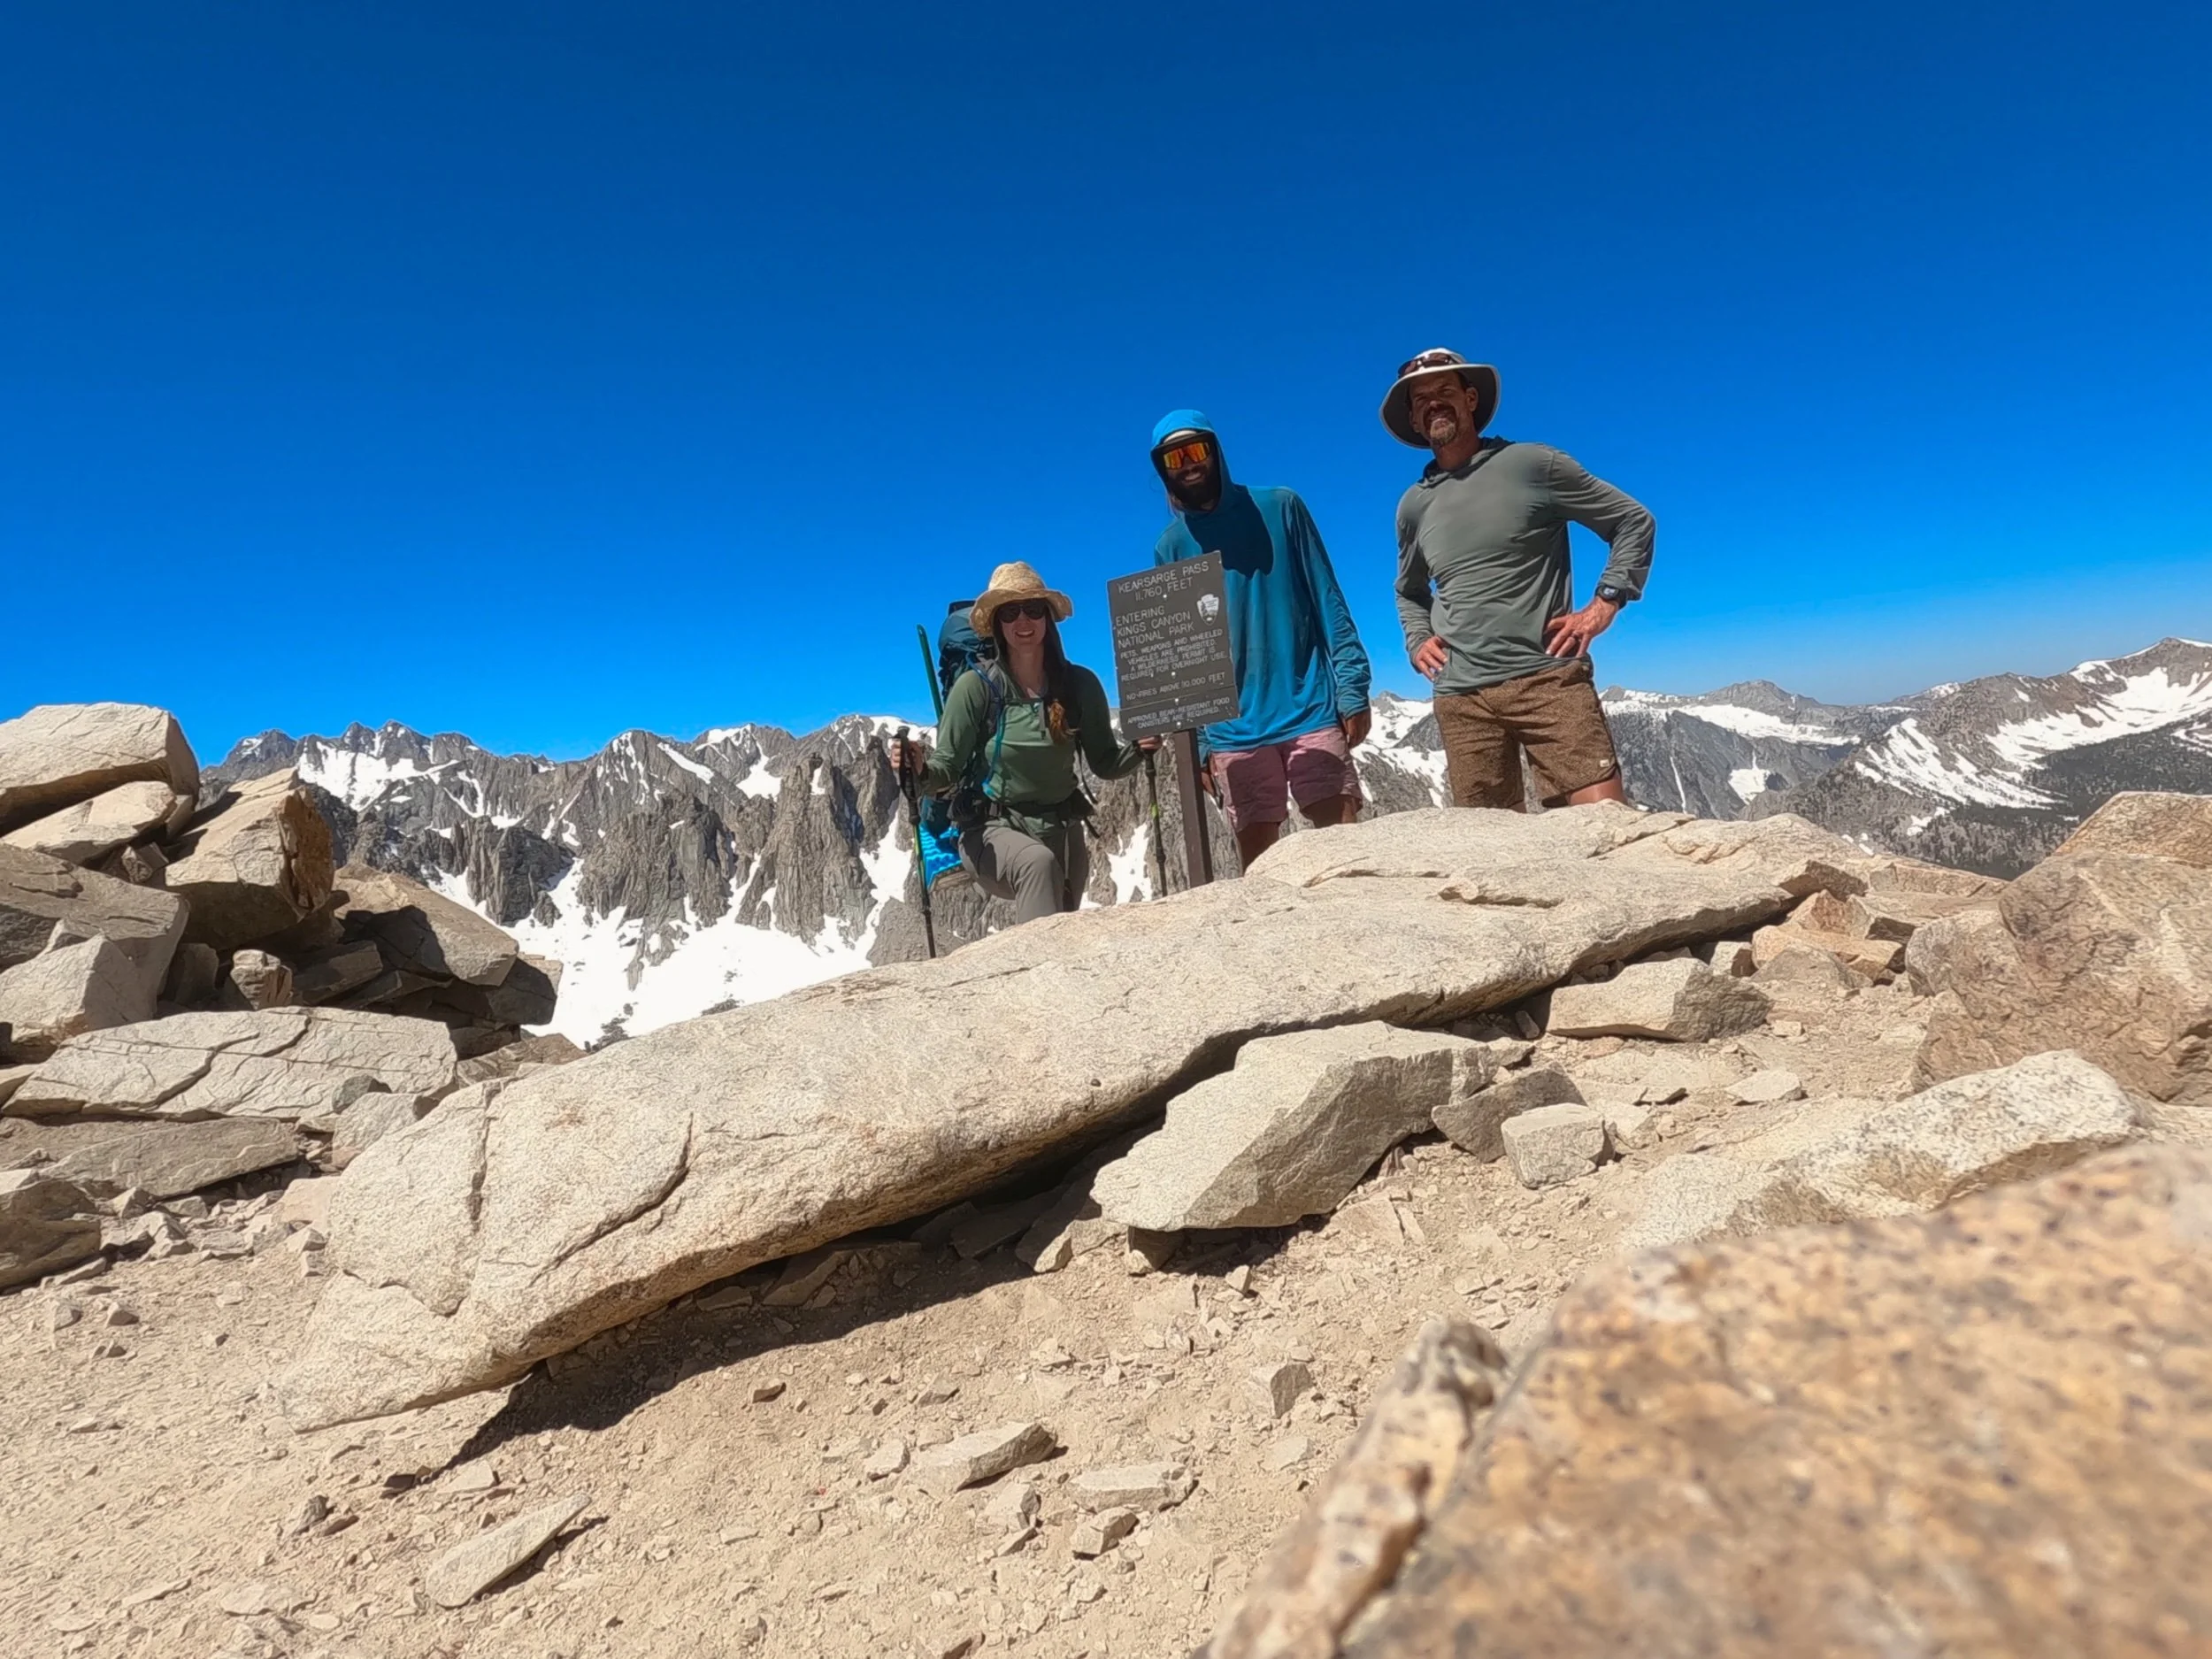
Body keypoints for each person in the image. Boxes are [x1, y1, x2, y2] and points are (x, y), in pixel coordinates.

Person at [1380, 348, 1654, 810]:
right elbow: (1408, 590)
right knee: (1492, 856)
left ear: (1470, 399)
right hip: (1461, 695)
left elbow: (1632, 521)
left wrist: (1604, 603)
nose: (1434, 403)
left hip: (1546, 679)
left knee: (1608, 831)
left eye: (1445, 391)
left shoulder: (1533, 464)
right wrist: (1417, 638)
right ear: (1412, 417)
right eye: (1421, 398)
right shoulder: (1413, 505)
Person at [1148, 410, 1373, 869]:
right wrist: (1203, 745)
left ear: (1216, 451)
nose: (1188, 464)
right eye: (1174, 458)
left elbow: (1327, 597)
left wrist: (1352, 685)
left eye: (1196, 450)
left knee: (1348, 860)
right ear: (1163, 471)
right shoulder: (1171, 546)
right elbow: (1181, 655)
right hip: (1232, 731)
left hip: (1309, 708)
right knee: (1262, 873)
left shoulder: (1280, 506)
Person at [888, 561, 1144, 923]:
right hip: (991, 830)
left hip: (1062, 831)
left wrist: (1140, 748)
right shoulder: (975, 688)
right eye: (1010, 612)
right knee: (1037, 865)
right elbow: (947, 768)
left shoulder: (1080, 685)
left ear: (1047, 618)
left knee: (1065, 926)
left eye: (1033, 609)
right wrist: (918, 768)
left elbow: (1105, 763)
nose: (1023, 621)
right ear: (996, 623)